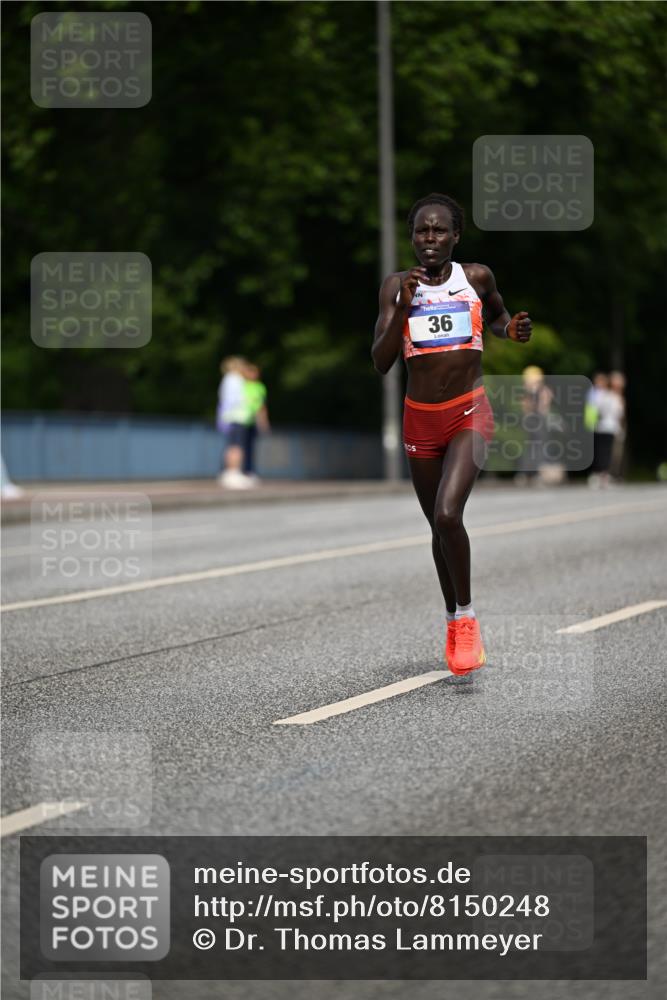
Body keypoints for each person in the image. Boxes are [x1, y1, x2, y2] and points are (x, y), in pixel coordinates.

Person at [372, 193, 532, 676]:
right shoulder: (396, 286)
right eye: (422, 231)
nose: (430, 240)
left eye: (440, 231)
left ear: (455, 236)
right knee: (437, 529)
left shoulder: (476, 277)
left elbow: (499, 315)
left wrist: (511, 331)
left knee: (447, 514)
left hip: (469, 413)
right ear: (412, 237)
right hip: (420, 418)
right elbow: (381, 361)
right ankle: (451, 617)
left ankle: (466, 618)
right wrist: (402, 308)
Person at [217, 356, 253, 489]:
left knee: (233, 445)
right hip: (237, 416)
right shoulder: (235, 379)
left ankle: (231, 473)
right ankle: (233, 473)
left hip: (231, 417)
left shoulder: (228, 379)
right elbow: (234, 400)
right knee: (237, 446)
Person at [240, 362, 270, 482]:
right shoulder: (241, 385)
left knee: (250, 447)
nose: (253, 375)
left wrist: (264, 421)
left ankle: (249, 471)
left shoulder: (260, 387)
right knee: (239, 446)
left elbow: (262, 405)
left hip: (253, 420)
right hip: (242, 419)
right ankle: (239, 471)